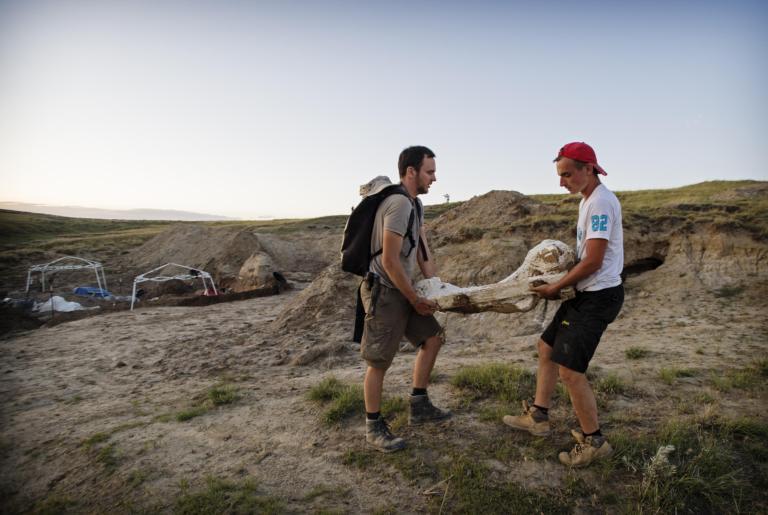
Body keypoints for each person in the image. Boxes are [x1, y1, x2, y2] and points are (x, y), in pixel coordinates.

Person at [503, 141, 624, 468]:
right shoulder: (588, 200)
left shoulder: (600, 203)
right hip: (585, 292)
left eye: (567, 174)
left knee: (570, 371)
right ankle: (538, 417)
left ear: (589, 168)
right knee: (546, 348)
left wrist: (556, 286)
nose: (561, 182)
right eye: (560, 175)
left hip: (598, 296)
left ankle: (595, 441)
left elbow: (594, 261)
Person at [361, 145, 451, 452]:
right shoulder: (398, 204)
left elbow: (422, 251)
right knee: (378, 361)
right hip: (385, 291)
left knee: (433, 338)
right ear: (411, 172)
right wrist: (415, 299)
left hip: (404, 289)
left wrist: (436, 288)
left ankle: (419, 405)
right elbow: (389, 260)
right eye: (429, 172)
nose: (434, 178)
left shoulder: (416, 204)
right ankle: (373, 427)